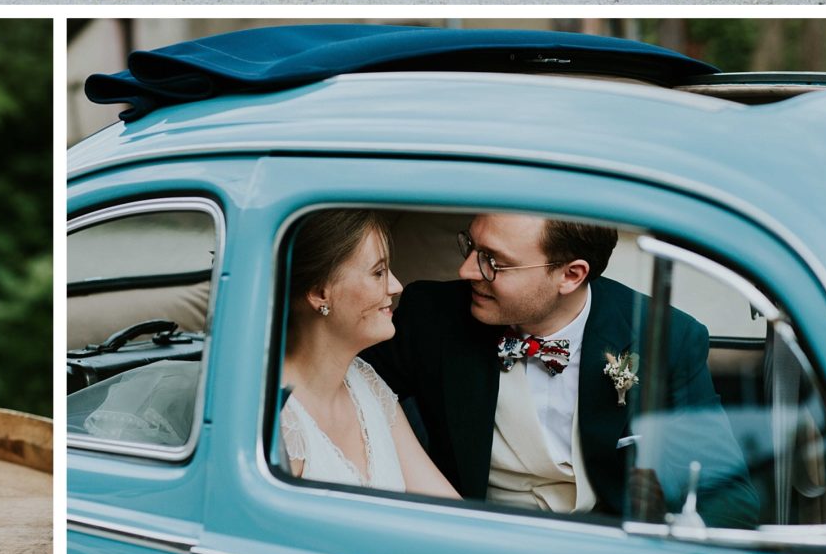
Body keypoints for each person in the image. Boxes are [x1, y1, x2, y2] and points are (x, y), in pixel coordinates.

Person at [365, 211, 759, 527]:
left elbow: (729, 496)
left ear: (571, 275)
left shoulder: (667, 339)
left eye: (493, 262)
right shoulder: (431, 317)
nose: (468, 270)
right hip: (475, 539)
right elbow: (346, 392)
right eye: (471, 246)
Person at [279, 209, 459, 498]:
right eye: (378, 272)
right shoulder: (280, 423)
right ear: (319, 293)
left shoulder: (366, 384)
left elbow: (448, 511)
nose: (396, 287)